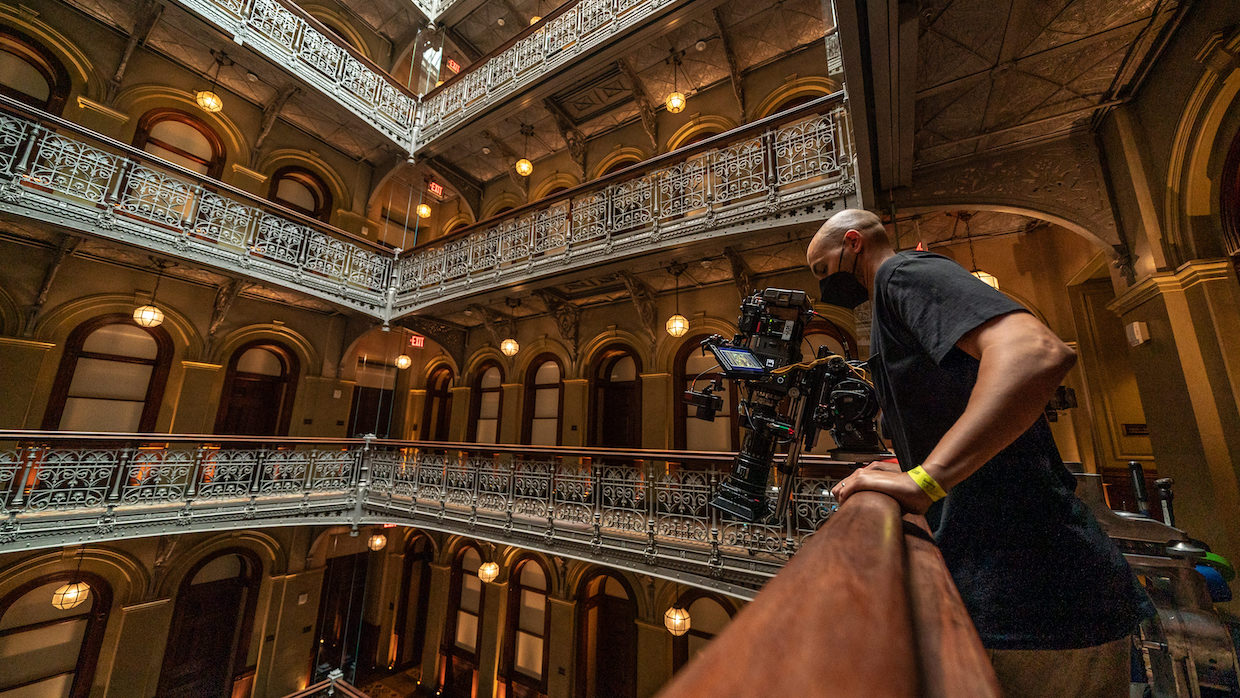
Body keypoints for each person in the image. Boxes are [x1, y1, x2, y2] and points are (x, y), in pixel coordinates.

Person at [808, 209, 1154, 697]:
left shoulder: (906, 274)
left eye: (822, 269)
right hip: (1007, 588)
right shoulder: (893, 300)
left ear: (853, 243)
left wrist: (923, 479)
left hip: (1037, 594)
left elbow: (1037, 353)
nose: (823, 285)